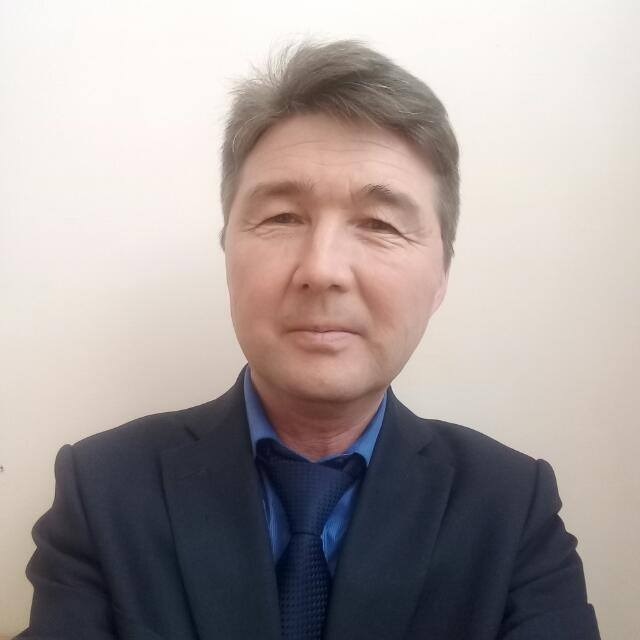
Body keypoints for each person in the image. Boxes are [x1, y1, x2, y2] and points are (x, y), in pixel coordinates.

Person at [17, 39, 600, 640]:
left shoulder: (512, 508)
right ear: (227, 254)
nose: (321, 270)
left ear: (441, 277)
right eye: (282, 217)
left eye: (379, 224)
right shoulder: (102, 490)